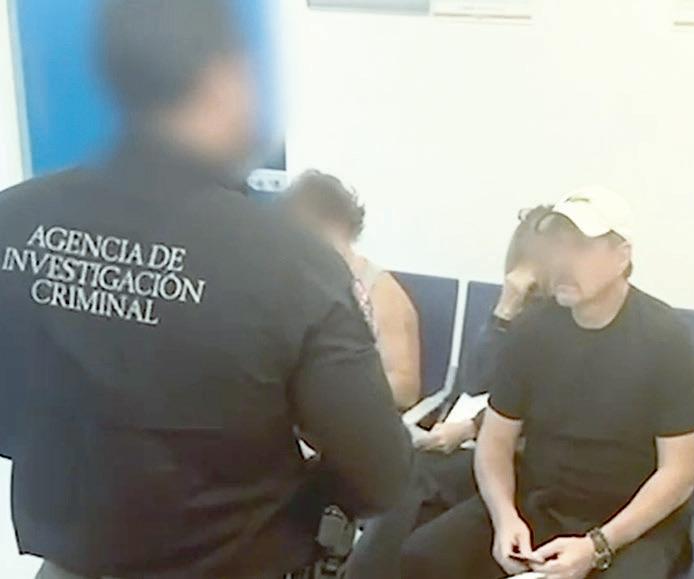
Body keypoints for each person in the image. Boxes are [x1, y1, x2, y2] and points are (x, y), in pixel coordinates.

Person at [0, 2, 412, 578]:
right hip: (236, 560)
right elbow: (381, 473)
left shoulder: (14, 221)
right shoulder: (292, 264)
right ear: (224, 78)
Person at [401, 188, 694, 579]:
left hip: (632, 524)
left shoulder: (666, 339)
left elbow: (678, 475)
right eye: (557, 246)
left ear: (622, 256)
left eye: (580, 247)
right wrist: (505, 519)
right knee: (422, 558)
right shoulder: (532, 331)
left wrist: (597, 546)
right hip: (540, 504)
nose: (562, 261)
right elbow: (495, 442)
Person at [346, 204, 553, 579]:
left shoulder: (567, 323)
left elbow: (546, 406)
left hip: (527, 461)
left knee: (416, 479)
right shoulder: (523, 314)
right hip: (495, 447)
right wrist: (505, 309)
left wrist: (471, 428)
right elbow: (477, 380)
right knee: (411, 490)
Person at [285, 170, 422, 410]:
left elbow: (405, 390)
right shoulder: (299, 283)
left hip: (355, 417)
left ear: (340, 226)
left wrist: (331, 390)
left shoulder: (380, 290)